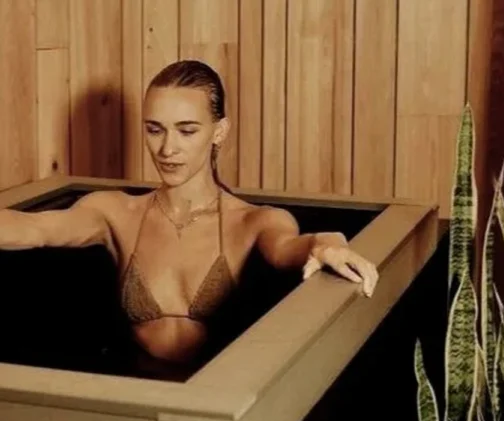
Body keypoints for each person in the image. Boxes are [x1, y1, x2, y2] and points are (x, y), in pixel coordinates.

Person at [0, 59, 378, 374]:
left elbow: (289, 247)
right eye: (154, 130)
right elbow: (34, 229)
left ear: (219, 132)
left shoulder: (253, 221)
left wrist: (327, 244)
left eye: (186, 130)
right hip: (133, 393)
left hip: (217, 403)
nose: (167, 148)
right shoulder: (116, 212)